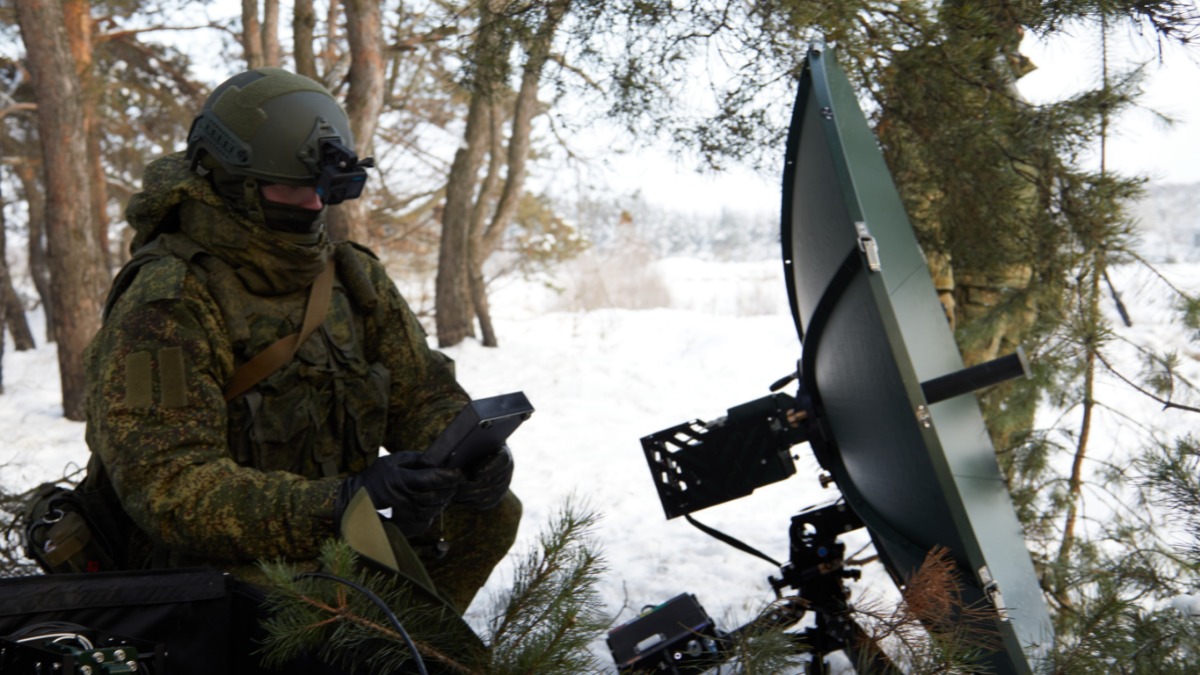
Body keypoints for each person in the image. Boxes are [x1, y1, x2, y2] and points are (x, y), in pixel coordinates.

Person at [80, 67, 521, 632]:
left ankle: (403, 647)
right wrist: (338, 504)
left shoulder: (353, 277)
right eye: (294, 187)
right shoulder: (170, 301)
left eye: (328, 188)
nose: (315, 205)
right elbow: (171, 490)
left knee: (486, 514)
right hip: (207, 558)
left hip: (331, 528)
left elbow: (423, 394)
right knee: (320, 615)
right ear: (233, 183)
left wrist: (470, 456)